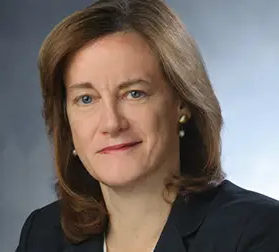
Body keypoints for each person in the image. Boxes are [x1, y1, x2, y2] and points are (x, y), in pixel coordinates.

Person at [15, 0, 279, 251]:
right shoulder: (43, 234)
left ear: (182, 103)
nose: (112, 123)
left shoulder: (258, 233)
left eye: (134, 93)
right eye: (86, 99)